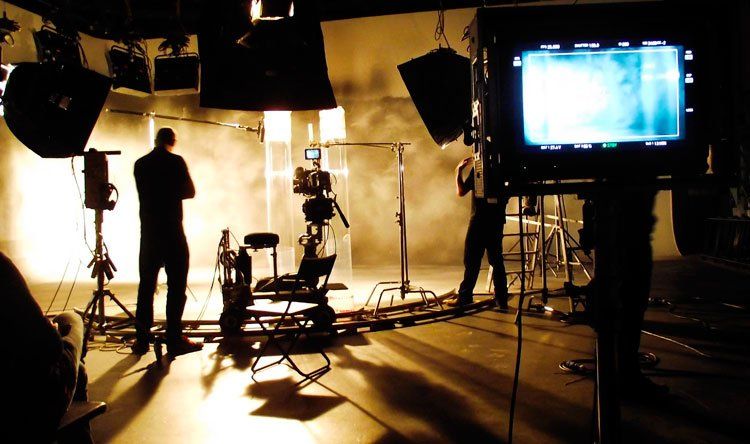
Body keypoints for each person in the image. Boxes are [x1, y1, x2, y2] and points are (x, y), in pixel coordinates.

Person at [2, 252, 91, 443]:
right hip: (30, 407)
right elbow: (50, 348)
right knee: (71, 319)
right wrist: (52, 330)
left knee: (79, 369)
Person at [132, 127, 202, 356]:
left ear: (156, 140)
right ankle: (174, 338)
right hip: (172, 232)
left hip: (149, 234)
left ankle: (141, 340)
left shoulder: (140, 164)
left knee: (146, 287)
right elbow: (190, 192)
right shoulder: (176, 162)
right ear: (172, 141)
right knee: (177, 287)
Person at [448, 156, 509, 309]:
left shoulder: (479, 167)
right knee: (496, 260)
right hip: (496, 219)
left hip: (479, 220)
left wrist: (458, 170)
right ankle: (502, 299)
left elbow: (461, 191)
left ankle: (465, 297)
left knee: (472, 260)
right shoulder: (504, 167)